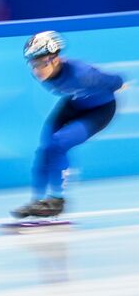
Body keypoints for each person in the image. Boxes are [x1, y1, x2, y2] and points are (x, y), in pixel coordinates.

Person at [12, 31, 124, 218]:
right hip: (74, 103)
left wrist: (118, 84)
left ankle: (56, 200)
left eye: (41, 63)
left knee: (59, 142)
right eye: (32, 63)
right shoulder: (43, 74)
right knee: (45, 148)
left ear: (56, 59)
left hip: (100, 110)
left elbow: (116, 81)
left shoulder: (83, 74)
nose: (37, 69)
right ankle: (37, 201)